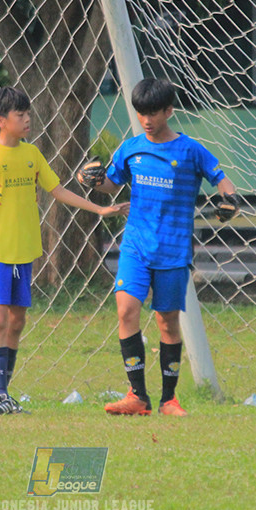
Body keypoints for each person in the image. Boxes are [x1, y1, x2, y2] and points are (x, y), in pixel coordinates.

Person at [78, 78, 237, 416]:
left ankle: (168, 400)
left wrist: (229, 201)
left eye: (153, 113)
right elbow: (110, 185)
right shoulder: (131, 148)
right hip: (135, 246)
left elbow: (222, 181)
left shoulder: (190, 150)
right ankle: (137, 395)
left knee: (167, 322)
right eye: (141, 113)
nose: (146, 120)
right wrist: (90, 180)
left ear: (169, 111)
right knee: (126, 311)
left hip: (173, 250)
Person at [0, 87, 126, 417]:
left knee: (17, 320)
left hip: (25, 251)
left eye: (28, 114)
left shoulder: (32, 154)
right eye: (20, 115)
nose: (28, 119)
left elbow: (58, 190)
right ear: (0, 121)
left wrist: (99, 209)